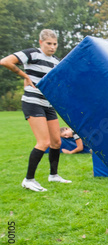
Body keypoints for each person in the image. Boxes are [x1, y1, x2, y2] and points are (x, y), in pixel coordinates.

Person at [0, 29, 71, 192]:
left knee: (56, 142)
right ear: (41, 43)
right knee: (44, 142)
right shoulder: (32, 54)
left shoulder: (55, 61)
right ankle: (28, 180)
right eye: (49, 44)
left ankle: (53, 175)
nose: (52, 47)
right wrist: (24, 76)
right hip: (33, 102)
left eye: (55, 44)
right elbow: (5, 61)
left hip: (48, 104)